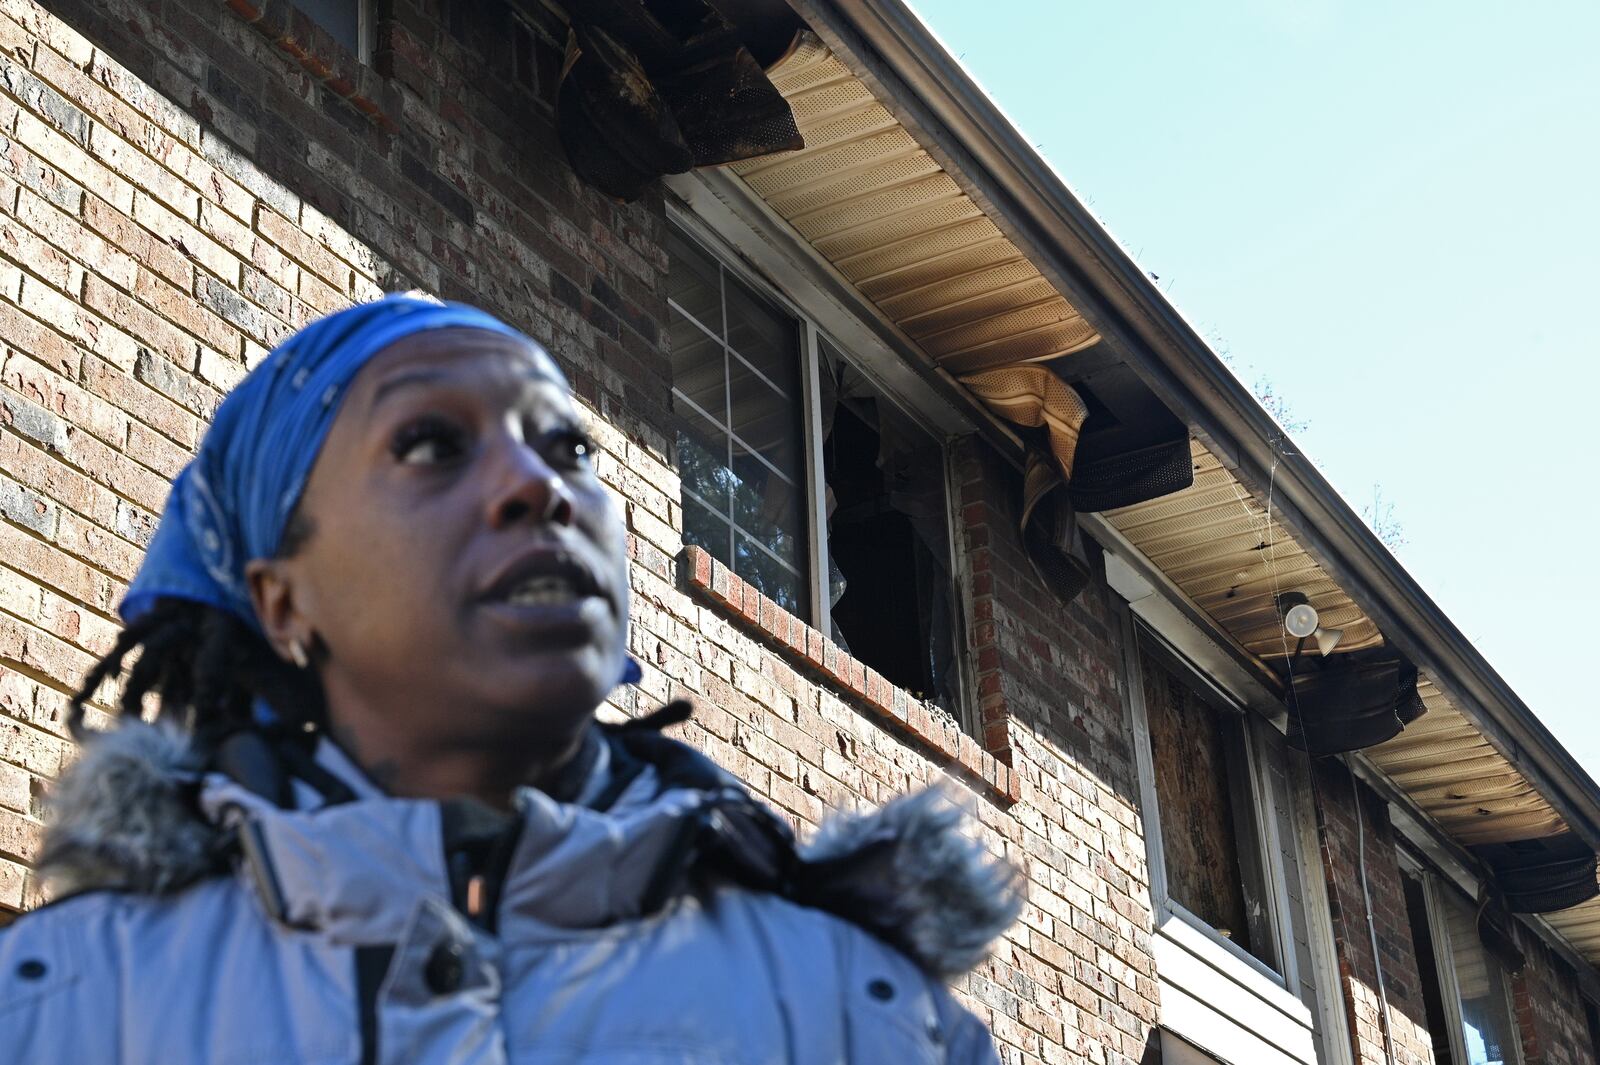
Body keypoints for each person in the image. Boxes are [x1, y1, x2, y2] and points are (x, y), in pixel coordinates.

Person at [0, 294, 1021, 1063]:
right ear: (281, 601)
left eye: (566, 445)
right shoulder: (63, 1008)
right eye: (432, 444)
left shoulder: (861, 1016)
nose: (538, 487)